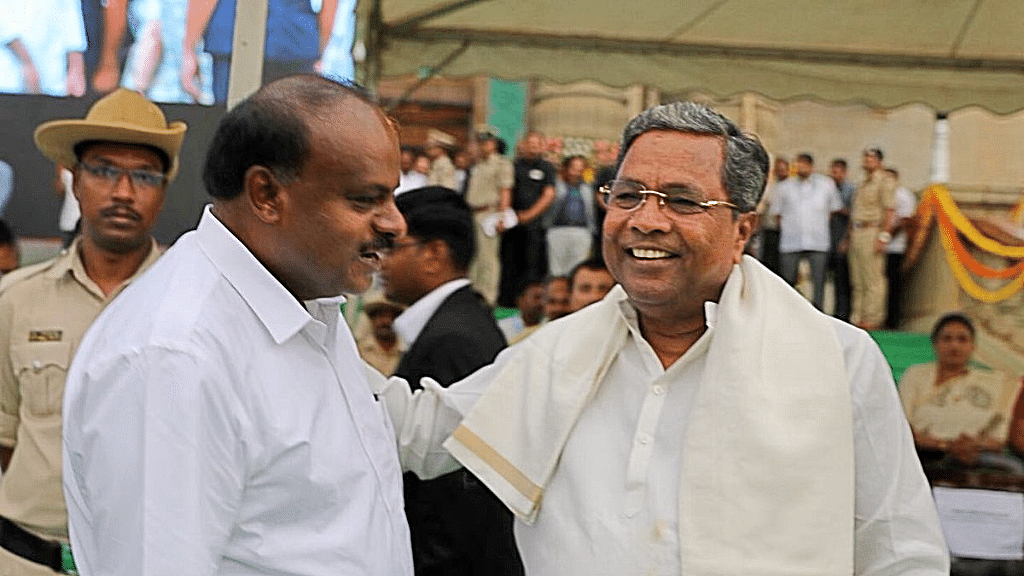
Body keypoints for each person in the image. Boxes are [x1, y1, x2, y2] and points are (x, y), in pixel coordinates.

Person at [373, 101, 948, 576]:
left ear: (743, 229)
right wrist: (304, 303)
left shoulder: (838, 361)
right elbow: (417, 431)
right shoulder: (557, 353)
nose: (646, 220)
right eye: (627, 196)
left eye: (681, 200)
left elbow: (903, 553)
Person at [62, 76, 417, 576]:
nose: (395, 224)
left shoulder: (305, 306)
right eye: (364, 200)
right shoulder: (175, 357)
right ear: (266, 194)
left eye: (392, 198)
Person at [0, 88, 184, 576]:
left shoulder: (192, 305)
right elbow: (6, 437)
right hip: (25, 561)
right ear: (73, 181)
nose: (123, 192)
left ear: (164, 192)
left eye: (144, 176)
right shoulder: (16, 300)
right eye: (103, 170)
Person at [378, 186, 521, 576]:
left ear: (434, 253)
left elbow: (455, 492)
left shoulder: (453, 338)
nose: (378, 261)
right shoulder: (456, 322)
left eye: (392, 247)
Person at [898, 313, 1022, 473]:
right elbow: (903, 429)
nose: (954, 346)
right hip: (923, 454)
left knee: (1014, 470)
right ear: (935, 343)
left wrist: (972, 445)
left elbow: (999, 438)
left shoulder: (993, 383)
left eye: (962, 339)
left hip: (977, 454)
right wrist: (946, 446)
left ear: (973, 346)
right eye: (947, 339)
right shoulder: (915, 375)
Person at [768, 152, 842, 310]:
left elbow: (834, 209)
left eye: (804, 164)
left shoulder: (826, 184)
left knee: (818, 279)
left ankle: (819, 312)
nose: (801, 168)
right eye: (798, 164)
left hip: (818, 240)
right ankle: (788, 312)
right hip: (791, 240)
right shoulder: (784, 187)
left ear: (811, 166)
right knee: (787, 279)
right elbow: (777, 214)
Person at [498, 132, 555, 307]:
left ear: (542, 146)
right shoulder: (513, 166)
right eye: (530, 143)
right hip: (512, 224)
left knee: (533, 265)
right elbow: (505, 191)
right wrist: (508, 215)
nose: (533, 147)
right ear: (522, 144)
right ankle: (508, 302)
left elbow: (548, 194)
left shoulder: (546, 167)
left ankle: (531, 302)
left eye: (537, 143)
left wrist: (529, 215)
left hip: (535, 225)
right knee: (509, 262)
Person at [847, 147, 896, 330]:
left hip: (872, 230)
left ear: (879, 162)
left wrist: (884, 236)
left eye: (871, 159)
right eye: (865, 158)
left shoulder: (884, 181)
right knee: (857, 278)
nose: (867, 161)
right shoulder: (862, 183)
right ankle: (858, 316)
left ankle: (872, 318)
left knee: (872, 278)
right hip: (857, 231)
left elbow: (889, 210)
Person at [464, 130, 513, 305]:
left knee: (488, 258)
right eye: (480, 142)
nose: (483, 145)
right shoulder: (477, 164)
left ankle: (488, 297)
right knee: (474, 257)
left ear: (494, 143)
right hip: (473, 212)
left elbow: (505, 191)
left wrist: (502, 216)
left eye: (487, 142)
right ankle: (473, 294)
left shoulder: (501, 164)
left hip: (489, 213)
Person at [544, 155, 598, 277]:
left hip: (581, 231)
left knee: (577, 268)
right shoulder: (556, 186)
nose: (576, 172)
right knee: (556, 269)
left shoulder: (587, 188)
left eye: (580, 169)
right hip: (558, 229)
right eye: (573, 168)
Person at [884, 168, 916, 330]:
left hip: (894, 247)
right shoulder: (881, 194)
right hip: (878, 247)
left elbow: (905, 220)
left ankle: (892, 321)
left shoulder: (903, 195)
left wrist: (885, 236)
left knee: (893, 286)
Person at [828, 158, 855, 322]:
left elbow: (854, 215)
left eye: (837, 171)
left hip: (844, 239)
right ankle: (837, 312)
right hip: (828, 240)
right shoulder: (828, 188)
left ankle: (845, 314)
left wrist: (839, 210)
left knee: (846, 279)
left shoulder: (850, 191)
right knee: (835, 280)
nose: (834, 175)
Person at [753, 156, 788, 274]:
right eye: (779, 169)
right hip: (770, 229)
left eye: (783, 169)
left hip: (787, 232)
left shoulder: (792, 186)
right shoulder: (770, 187)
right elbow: (762, 208)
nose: (781, 172)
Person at [357, 297, 405, 376]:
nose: (385, 322)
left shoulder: (407, 352)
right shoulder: (359, 351)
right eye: (380, 316)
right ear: (372, 320)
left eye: (391, 316)